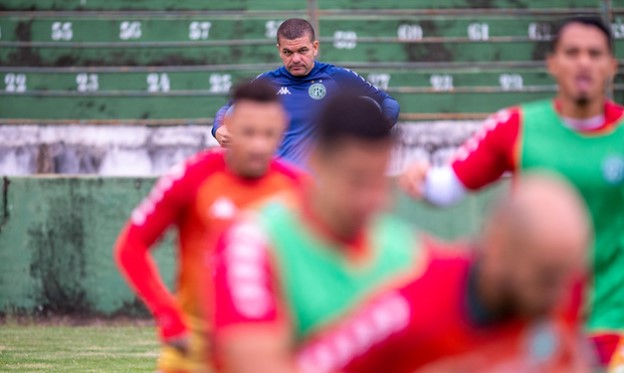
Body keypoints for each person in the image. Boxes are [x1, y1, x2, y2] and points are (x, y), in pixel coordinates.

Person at [399, 15, 623, 366]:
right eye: (573, 52)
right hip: (538, 326)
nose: (583, 62)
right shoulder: (516, 126)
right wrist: (423, 179)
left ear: (611, 65)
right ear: (552, 63)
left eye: (594, 54)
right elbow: (447, 187)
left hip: (615, 322)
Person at [297, 174, 592, 373]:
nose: (561, 296)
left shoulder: (561, 297)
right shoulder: (405, 313)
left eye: (569, 277)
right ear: (498, 248)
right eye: (546, 279)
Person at [210, 94, 419, 373]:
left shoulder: (404, 251)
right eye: (355, 180)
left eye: (380, 182)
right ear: (316, 160)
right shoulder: (251, 244)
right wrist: (375, 328)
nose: (370, 200)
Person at [114, 81, 306, 373]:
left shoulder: (298, 188)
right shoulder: (192, 176)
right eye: (249, 132)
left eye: (268, 134)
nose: (258, 145)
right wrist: (168, 316)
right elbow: (131, 246)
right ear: (229, 127)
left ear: (281, 129)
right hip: (195, 346)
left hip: (266, 348)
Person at [211, 18, 400, 168]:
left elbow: (389, 104)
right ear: (279, 51)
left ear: (315, 47)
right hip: (279, 186)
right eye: (288, 52)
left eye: (302, 50)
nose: (295, 59)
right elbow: (228, 109)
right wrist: (218, 129)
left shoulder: (338, 77)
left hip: (323, 189)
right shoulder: (266, 82)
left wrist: (373, 135)